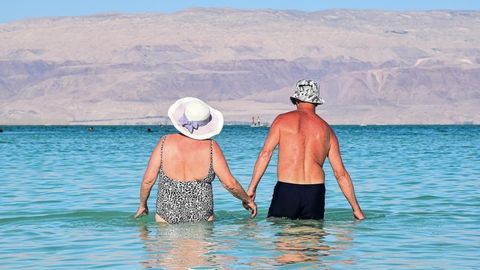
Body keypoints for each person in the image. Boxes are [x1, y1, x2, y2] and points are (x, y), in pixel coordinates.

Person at [247, 79, 365, 220]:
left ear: (296, 99)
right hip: (315, 192)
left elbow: (265, 154)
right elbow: (340, 174)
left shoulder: (282, 120)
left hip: (287, 189)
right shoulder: (327, 130)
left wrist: (252, 187)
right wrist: (356, 209)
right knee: (313, 237)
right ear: (316, 102)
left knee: (284, 238)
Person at [134, 97, 256, 223]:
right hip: (202, 217)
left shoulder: (164, 143)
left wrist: (143, 205)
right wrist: (247, 200)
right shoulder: (211, 147)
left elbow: (148, 181)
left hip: (166, 216)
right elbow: (229, 184)